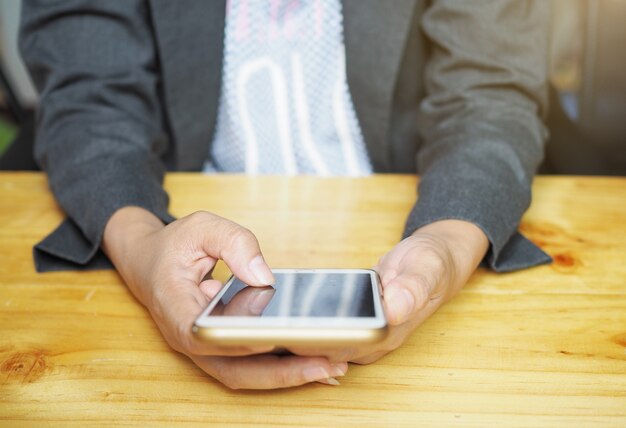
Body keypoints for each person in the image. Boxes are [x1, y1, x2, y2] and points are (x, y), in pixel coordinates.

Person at [20, 0, 551, 389]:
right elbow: (91, 96)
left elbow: (489, 92)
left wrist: (448, 240)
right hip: (177, 214)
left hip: (412, 204)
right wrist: (141, 247)